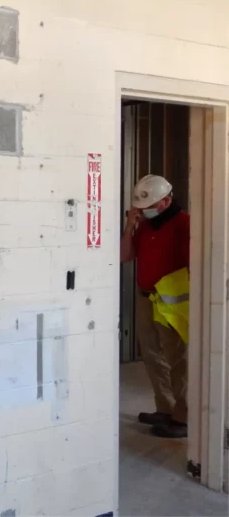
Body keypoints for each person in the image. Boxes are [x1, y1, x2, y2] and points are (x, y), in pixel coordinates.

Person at [120, 175, 190, 438]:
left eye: (149, 206)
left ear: (167, 201)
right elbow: (125, 256)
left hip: (172, 304)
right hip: (146, 298)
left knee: (178, 360)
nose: (144, 212)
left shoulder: (185, 225)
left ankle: (183, 419)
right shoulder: (147, 227)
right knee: (152, 356)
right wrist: (130, 227)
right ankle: (166, 408)